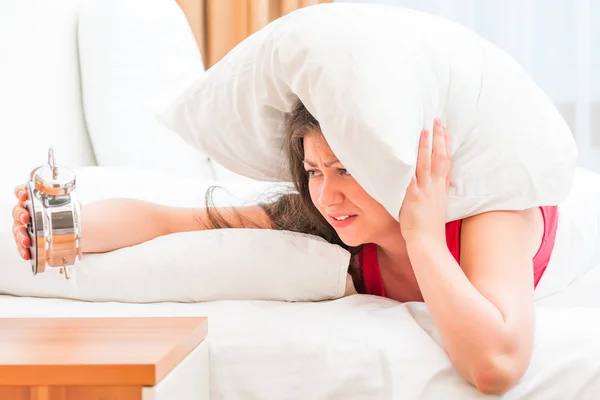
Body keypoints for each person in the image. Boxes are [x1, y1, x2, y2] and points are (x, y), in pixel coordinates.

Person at [11, 100, 558, 395]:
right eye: (315, 170)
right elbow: (170, 219)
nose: (328, 195)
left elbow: (497, 367)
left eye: (345, 169)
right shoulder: (323, 219)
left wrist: (421, 235)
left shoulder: (490, 214)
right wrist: (63, 228)